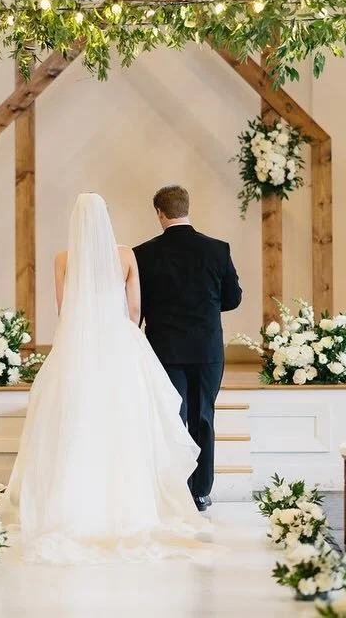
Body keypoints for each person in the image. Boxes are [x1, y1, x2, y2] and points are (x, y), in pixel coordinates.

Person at [3, 193, 209, 564]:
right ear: (106, 219)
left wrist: (84, 332)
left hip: (78, 344)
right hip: (120, 343)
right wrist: (122, 335)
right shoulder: (126, 256)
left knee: (77, 420)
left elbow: (64, 309)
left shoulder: (63, 259)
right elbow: (135, 308)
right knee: (126, 420)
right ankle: (132, 501)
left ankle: (72, 501)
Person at [133, 185, 242, 511]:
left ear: (159, 213)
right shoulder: (217, 249)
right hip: (207, 349)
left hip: (164, 349)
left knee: (171, 419)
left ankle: (172, 490)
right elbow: (233, 299)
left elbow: (138, 305)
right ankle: (200, 492)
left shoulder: (143, 254)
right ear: (186, 208)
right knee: (203, 417)